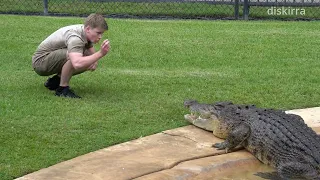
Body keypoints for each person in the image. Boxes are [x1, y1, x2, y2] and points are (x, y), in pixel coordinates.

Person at [32, 13, 110, 98]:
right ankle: (62, 89)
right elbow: (77, 63)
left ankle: (55, 81)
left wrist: (94, 61)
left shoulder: (85, 30)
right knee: (76, 58)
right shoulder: (75, 38)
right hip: (41, 62)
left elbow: (89, 47)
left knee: (88, 60)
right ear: (88, 29)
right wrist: (100, 53)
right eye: (98, 33)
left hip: (49, 58)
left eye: (102, 34)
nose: (100, 37)